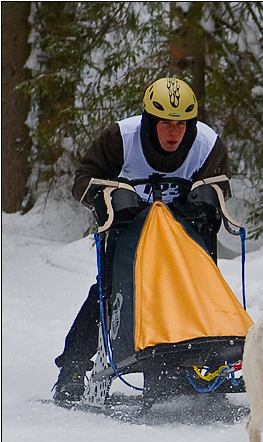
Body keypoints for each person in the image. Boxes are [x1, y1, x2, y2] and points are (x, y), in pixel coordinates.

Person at [53, 77, 232, 402]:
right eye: (166, 124)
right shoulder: (121, 139)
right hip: (129, 230)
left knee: (197, 291)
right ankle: (73, 368)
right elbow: (83, 179)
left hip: (183, 234)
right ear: (150, 120)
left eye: (181, 125)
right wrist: (109, 197)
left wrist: (200, 201)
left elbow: (220, 185)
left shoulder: (206, 143)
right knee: (108, 293)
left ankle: (204, 365)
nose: (174, 132)